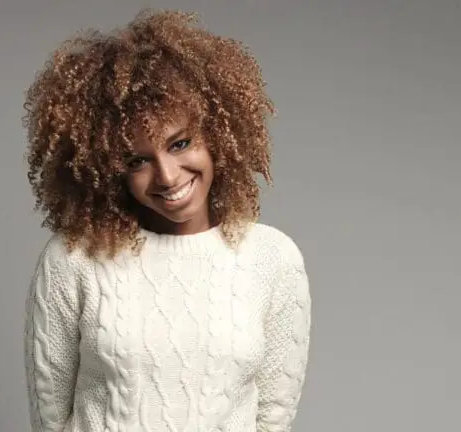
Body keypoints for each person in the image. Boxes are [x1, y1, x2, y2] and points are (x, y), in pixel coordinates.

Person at [22, 9, 312, 432]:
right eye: (138, 160)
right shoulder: (73, 260)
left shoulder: (272, 259)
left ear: (217, 134)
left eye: (181, 143)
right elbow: (50, 419)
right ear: (107, 169)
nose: (168, 176)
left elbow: (274, 419)